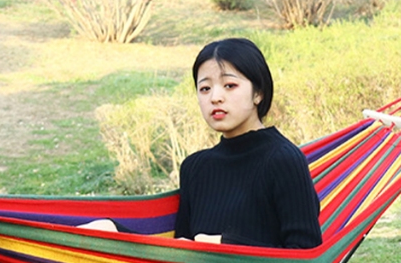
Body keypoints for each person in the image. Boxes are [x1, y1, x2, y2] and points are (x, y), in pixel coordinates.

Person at [81, 38, 322, 249]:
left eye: (230, 86)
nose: (215, 97)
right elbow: (183, 251)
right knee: (102, 230)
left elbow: (305, 258)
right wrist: (114, 232)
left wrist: (222, 245)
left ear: (258, 92)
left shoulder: (283, 160)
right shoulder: (195, 167)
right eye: (205, 88)